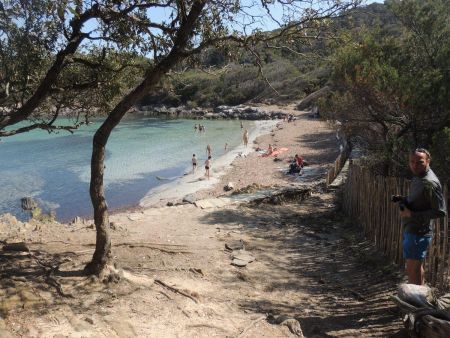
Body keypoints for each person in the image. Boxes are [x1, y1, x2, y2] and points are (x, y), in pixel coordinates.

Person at [395, 148, 446, 285]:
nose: (415, 165)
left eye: (420, 162)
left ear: (428, 161)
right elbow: (421, 201)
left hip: (419, 232)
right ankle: (420, 298)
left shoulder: (430, 183)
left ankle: (416, 304)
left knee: (412, 269)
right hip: (413, 229)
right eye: (412, 162)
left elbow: (440, 211)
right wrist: (405, 200)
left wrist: (411, 214)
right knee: (416, 267)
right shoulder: (419, 176)